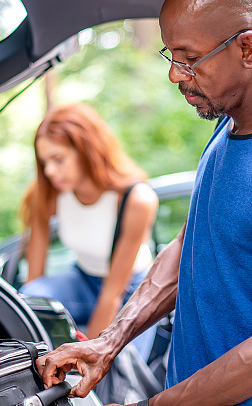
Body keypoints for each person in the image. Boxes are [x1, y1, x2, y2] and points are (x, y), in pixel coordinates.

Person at [37, 0, 252, 406]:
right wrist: (108, 341)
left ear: (248, 48)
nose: (175, 74)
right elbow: (193, 244)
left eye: (190, 59)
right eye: (172, 56)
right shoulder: (226, 127)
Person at [18, 102, 158, 343]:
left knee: (120, 372)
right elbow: (34, 281)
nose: (49, 171)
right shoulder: (47, 193)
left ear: (86, 149)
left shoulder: (137, 200)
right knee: (30, 299)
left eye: (58, 159)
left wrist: (90, 356)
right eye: (44, 162)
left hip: (131, 291)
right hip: (82, 280)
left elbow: (112, 294)